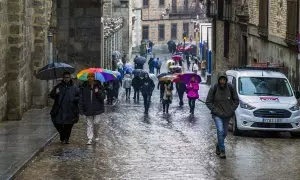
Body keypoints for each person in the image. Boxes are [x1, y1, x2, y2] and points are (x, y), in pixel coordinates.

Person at [206, 72, 239, 159]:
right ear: (218, 80)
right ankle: (222, 151)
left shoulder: (231, 88)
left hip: (227, 115)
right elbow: (208, 102)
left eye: (224, 79)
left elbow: (236, 100)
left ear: (226, 80)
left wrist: (231, 110)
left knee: (224, 133)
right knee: (220, 131)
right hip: (217, 115)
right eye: (221, 79)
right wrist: (215, 110)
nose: (222, 81)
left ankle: (218, 145)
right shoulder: (214, 88)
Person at [49, 72, 79, 144]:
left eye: (68, 77)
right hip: (59, 109)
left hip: (70, 109)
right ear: (63, 78)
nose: (66, 79)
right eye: (65, 77)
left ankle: (67, 138)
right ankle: (62, 135)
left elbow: (79, 96)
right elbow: (51, 96)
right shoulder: (58, 87)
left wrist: (74, 99)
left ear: (70, 78)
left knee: (69, 125)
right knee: (57, 122)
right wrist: (55, 93)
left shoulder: (75, 87)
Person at [79, 73, 106, 145]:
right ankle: (90, 138)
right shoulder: (83, 87)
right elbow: (81, 98)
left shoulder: (99, 86)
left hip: (97, 108)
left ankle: (96, 135)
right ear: (87, 78)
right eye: (89, 77)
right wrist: (81, 109)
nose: (91, 78)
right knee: (89, 124)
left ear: (94, 78)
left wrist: (98, 92)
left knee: (96, 123)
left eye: (92, 76)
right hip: (88, 108)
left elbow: (103, 97)